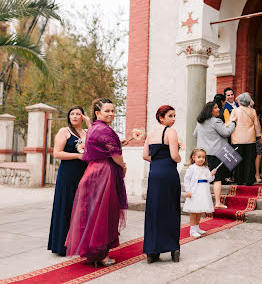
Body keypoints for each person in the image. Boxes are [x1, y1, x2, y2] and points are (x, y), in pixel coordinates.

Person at [65, 98, 128, 267]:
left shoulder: (94, 128)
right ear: (97, 113)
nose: (111, 114)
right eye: (107, 111)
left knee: (92, 212)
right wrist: (123, 166)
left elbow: (102, 147)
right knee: (103, 213)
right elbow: (115, 155)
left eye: (113, 111)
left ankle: (92, 251)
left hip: (94, 171)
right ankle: (101, 255)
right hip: (104, 173)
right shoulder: (103, 129)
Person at [48, 106, 90, 256]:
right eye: (72, 114)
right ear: (69, 117)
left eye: (78, 114)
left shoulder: (87, 133)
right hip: (67, 174)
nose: (75, 116)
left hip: (84, 174)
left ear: (83, 117)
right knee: (67, 206)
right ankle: (62, 245)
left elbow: (95, 145)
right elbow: (57, 153)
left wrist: (90, 123)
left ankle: (80, 243)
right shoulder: (64, 132)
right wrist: (78, 156)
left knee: (82, 208)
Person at [143, 105, 182, 264]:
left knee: (154, 209)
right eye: (170, 116)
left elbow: (145, 155)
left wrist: (158, 162)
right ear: (161, 117)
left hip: (155, 173)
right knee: (171, 208)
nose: (173, 119)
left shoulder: (151, 133)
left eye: (174, 116)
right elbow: (174, 156)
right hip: (168, 173)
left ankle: (152, 251)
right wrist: (180, 157)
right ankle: (173, 248)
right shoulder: (171, 132)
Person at [194, 101, 235, 209]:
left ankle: (201, 202)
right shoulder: (216, 121)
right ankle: (217, 202)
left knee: (204, 178)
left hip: (203, 154)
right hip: (216, 153)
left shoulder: (200, 122)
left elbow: (195, 134)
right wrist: (233, 122)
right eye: (216, 108)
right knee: (217, 179)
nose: (218, 110)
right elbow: (226, 132)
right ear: (210, 111)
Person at [230, 93, 262, 186]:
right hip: (250, 138)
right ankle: (249, 180)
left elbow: (231, 124)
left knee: (238, 160)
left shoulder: (234, 111)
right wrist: (259, 136)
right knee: (250, 160)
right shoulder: (252, 111)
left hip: (237, 139)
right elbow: (257, 125)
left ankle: (239, 180)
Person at [183, 148, 216, 238]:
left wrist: (212, 174)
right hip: (195, 192)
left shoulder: (205, 168)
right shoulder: (192, 168)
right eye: (199, 157)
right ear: (193, 157)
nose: (201, 159)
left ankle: (197, 228)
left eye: (203, 157)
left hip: (203, 192)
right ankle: (192, 230)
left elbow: (209, 179)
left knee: (199, 211)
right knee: (194, 211)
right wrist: (188, 190)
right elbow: (187, 180)